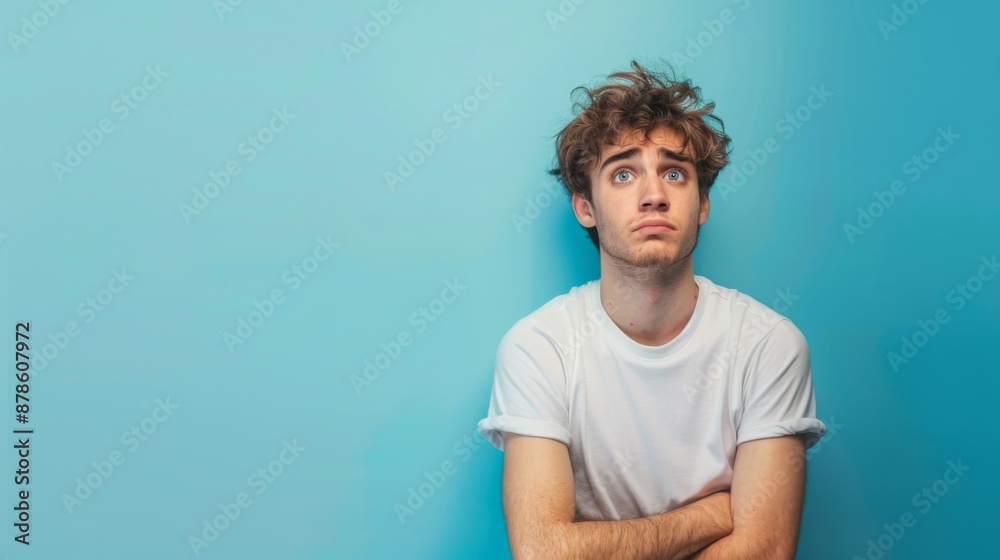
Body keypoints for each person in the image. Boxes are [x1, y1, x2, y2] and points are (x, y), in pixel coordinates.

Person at [476, 60, 826, 559]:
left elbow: (764, 552)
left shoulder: (768, 345)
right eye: (623, 174)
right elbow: (544, 553)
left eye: (674, 173)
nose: (654, 196)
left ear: (702, 203)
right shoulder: (539, 348)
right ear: (585, 207)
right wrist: (713, 514)